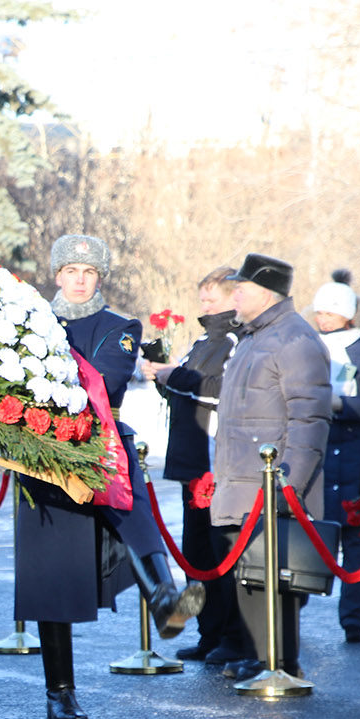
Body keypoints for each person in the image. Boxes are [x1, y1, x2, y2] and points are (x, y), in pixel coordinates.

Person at [18, 235, 203, 719]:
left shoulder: (121, 326)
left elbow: (108, 377)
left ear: (100, 278)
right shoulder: (24, 319)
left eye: (89, 272)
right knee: (49, 573)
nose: (80, 280)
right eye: (71, 271)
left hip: (100, 438)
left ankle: (165, 597)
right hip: (40, 450)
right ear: (57, 275)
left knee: (132, 508)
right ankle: (61, 692)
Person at [211, 253, 331, 681]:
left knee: (275, 581)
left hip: (273, 487)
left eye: (240, 287)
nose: (234, 294)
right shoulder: (253, 336)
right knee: (251, 579)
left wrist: (289, 486)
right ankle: (260, 656)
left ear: (264, 293)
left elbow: (310, 420)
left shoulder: (294, 340)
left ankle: (280, 662)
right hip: (241, 485)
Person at [141, 266, 247, 665]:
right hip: (191, 461)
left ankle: (231, 635)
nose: (204, 306)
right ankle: (207, 632)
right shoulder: (203, 340)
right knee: (195, 553)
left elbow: (220, 391)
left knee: (221, 554)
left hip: (214, 459)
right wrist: (161, 374)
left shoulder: (235, 340)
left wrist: (176, 376)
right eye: (202, 299)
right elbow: (183, 390)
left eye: (212, 300)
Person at [309, 269, 360, 645]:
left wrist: (343, 404)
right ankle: (292, 611)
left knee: (356, 544)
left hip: (356, 455)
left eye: (329, 312)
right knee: (312, 539)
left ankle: (354, 622)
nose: (321, 319)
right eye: (318, 312)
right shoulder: (309, 343)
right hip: (321, 453)